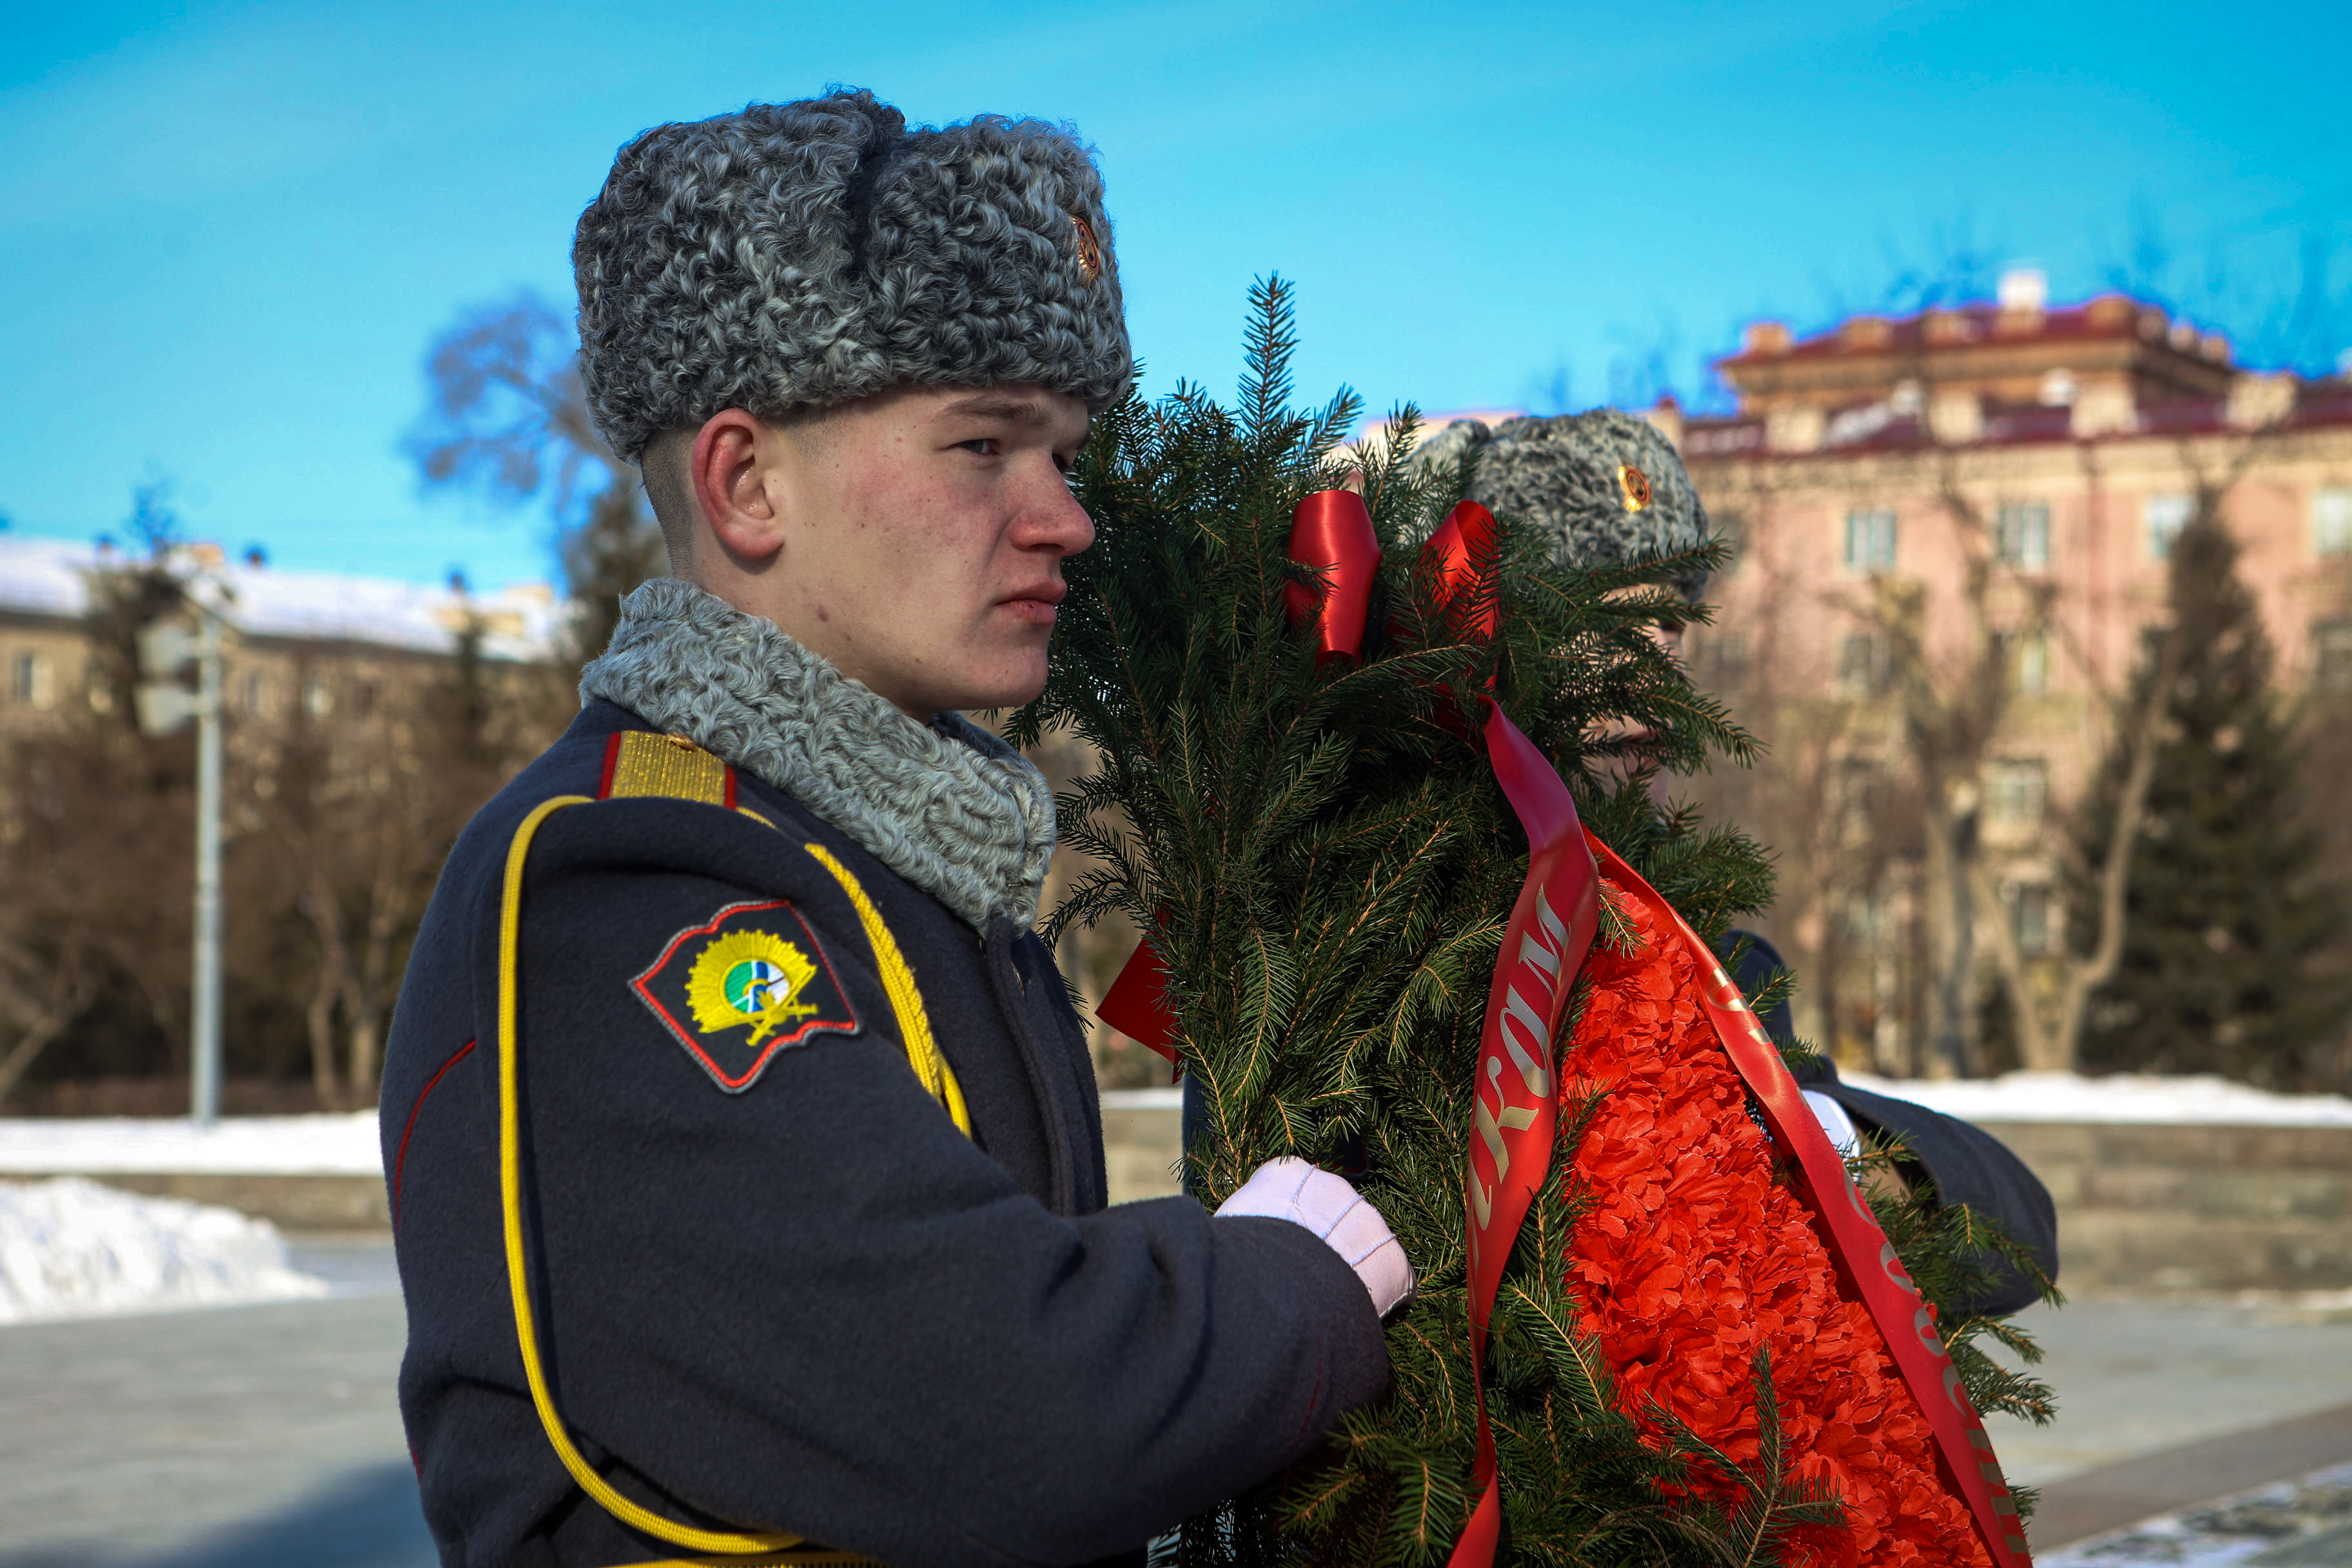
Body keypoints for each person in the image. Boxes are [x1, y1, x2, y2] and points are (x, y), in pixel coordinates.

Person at [380, 90, 1409, 1568]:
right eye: (983, 445)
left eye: (1064, 455)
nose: (1064, 517)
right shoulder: (624, 884)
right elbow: (1007, 1407)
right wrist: (1303, 1273)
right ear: (748, 484)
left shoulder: (901, 859)